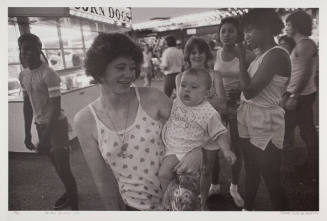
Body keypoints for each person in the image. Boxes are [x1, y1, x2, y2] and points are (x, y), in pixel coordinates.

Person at [73, 33, 202, 211]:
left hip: (177, 199)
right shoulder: (85, 121)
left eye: (132, 67)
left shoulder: (152, 98)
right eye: (120, 67)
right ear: (100, 70)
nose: (129, 74)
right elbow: (102, 180)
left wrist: (196, 150)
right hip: (134, 207)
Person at [159, 68, 236, 210]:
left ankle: (177, 203)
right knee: (166, 176)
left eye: (194, 87)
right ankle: (171, 200)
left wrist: (226, 150)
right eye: (183, 85)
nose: (187, 90)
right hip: (171, 148)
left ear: (206, 93)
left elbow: (219, 132)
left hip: (187, 151)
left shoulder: (208, 112)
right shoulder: (176, 102)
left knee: (176, 181)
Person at [237, 9, 291, 210]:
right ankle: (247, 209)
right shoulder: (262, 54)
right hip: (250, 117)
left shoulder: (276, 55)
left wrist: (241, 59)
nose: (246, 35)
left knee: (271, 178)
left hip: (266, 121)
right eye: (245, 31)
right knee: (251, 170)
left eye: (250, 29)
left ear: (267, 28)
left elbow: (250, 91)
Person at [18, 33, 78, 210]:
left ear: (39, 48)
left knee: (64, 168)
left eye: (32, 48)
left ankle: (75, 206)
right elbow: (27, 104)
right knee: (56, 166)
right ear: (20, 51)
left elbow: (55, 106)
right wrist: (27, 131)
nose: (28, 52)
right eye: (24, 49)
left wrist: (45, 137)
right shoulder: (23, 75)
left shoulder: (48, 73)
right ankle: (69, 192)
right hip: (40, 125)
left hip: (56, 125)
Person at [211, 16, 254, 208]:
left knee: (237, 148)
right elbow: (215, 79)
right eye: (223, 31)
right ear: (219, 34)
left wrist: (242, 91)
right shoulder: (216, 54)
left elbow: (253, 82)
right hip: (220, 105)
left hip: (240, 106)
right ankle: (214, 183)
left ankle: (234, 187)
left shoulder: (248, 54)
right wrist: (221, 101)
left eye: (231, 31)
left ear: (238, 34)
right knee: (212, 146)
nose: (226, 34)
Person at [284, 10, 319, 181]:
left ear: (296, 25)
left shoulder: (305, 44)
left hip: (301, 95)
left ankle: (311, 169)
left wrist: (294, 96)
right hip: (299, 94)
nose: (286, 27)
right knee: (304, 131)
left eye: (288, 24)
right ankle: (308, 167)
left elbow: (305, 74)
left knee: (304, 132)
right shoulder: (301, 44)